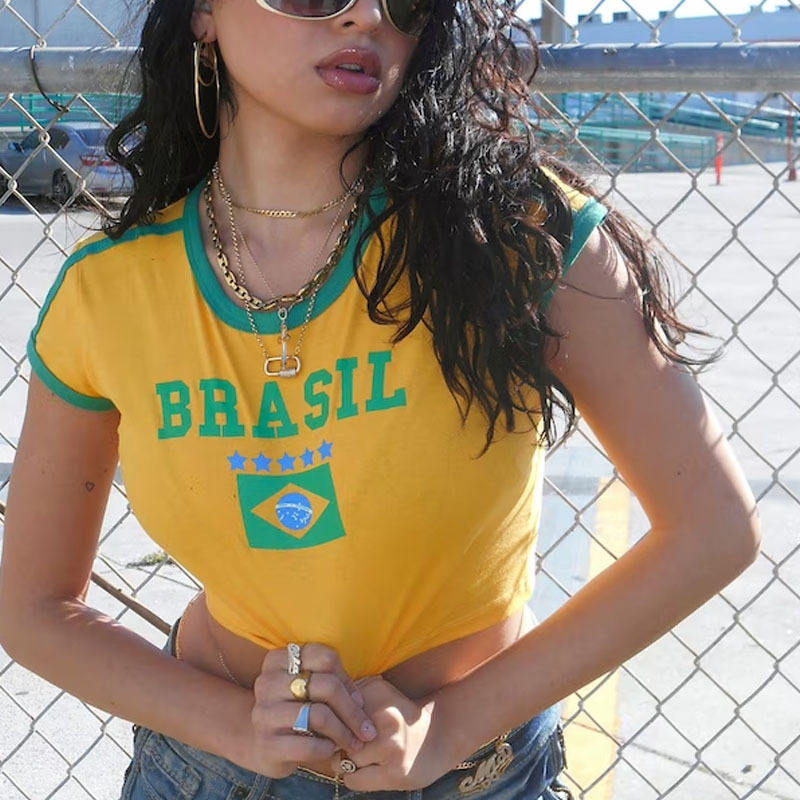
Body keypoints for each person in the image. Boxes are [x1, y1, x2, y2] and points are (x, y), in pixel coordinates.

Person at [0, 0, 761, 798]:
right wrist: (235, 726)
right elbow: (36, 610)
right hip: (211, 769)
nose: (366, 15)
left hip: (477, 771)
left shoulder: (512, 232)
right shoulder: (107, 291)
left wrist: (448, 728)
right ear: (204, 15)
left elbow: (712, 528)